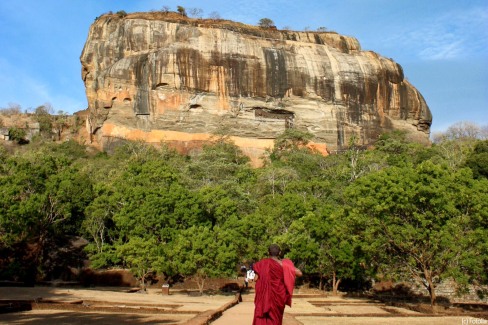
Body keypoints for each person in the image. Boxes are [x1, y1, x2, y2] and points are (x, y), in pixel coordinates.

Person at [252, 244, 302, 325]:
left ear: (268, 252)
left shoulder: (261, 264)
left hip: (264, 297)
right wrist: (287, 266)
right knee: (276, 320)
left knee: (262, 319)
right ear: (279, 253)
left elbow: (255, 279)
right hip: (279, 296)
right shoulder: (283, 264)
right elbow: (299, 273)